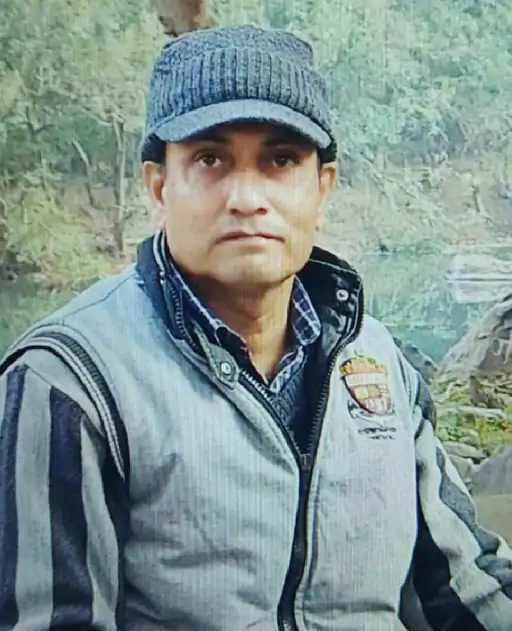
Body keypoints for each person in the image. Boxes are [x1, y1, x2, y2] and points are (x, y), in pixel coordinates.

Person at [0, 25, 511, 631]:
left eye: (280, 160)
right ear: (159, 186)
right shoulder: (70, 383)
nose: (247, 197)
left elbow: (463, 589)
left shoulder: (380, 366)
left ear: (322, 187)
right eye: (210, 159)